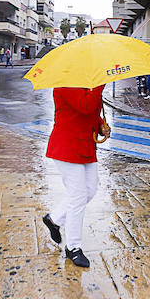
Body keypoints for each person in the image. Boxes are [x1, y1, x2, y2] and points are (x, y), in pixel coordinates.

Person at [41, 84, 109, 267]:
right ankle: (73, 247)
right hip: (67, 146)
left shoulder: (87, 84)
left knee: (90, 190)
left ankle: (54, 219)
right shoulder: (64, 84)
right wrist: (100, 85)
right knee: (78, 196)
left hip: (85, 146)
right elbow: (85, 106)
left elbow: (89, 113)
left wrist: (101, 125)